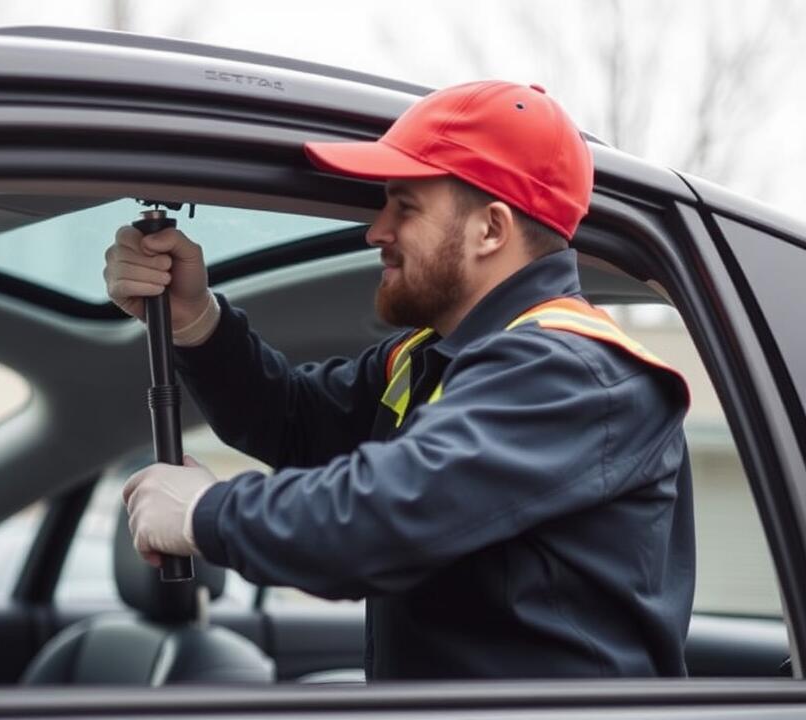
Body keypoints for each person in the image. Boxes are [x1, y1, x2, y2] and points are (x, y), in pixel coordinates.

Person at [108, 80, 694, 680]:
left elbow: (382, 519)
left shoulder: (575, 372)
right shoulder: (430, 358)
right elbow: (293, 420)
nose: (375, 231)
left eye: (404, 207)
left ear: (490, 230)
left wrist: (205, 515)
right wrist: (196, 319)